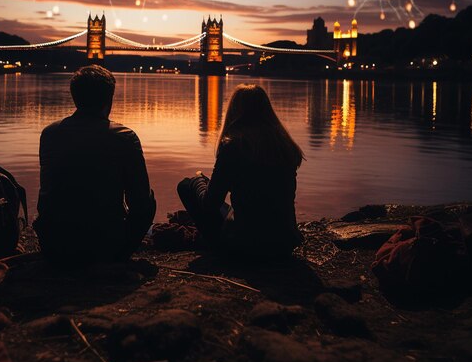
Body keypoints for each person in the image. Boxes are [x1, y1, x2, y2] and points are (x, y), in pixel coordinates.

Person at [34, 65, 156, 266]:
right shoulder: (124, 137)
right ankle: (119, 256)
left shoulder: (50, 133)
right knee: (148, 200)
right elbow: (140, 200)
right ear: (109, 99)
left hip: (54, 246)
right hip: (106, 248)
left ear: (74, 96)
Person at [177, 84, 304, 261]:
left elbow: (211, 204)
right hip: (284, 244)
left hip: (246, 247)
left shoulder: (235, 145)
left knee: (186, 185)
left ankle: (213, 242)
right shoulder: (284, 146)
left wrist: (197, 181)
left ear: (234, 111)